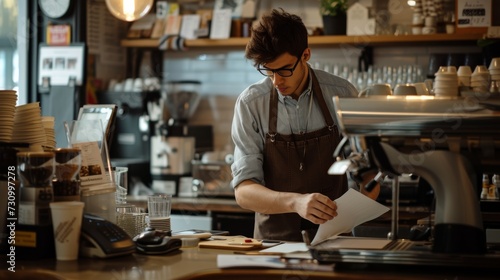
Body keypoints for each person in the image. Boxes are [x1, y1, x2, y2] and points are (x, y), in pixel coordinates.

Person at [230, 8, 379, 242]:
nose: (277, 81)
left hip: (335, 239)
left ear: (306, 55)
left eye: (284, 70)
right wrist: (296, 202)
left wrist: (365, 192)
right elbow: (244, 192)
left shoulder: (342, 95)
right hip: (273, 245)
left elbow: (366, 172)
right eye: (269, 72)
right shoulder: (251, 104)